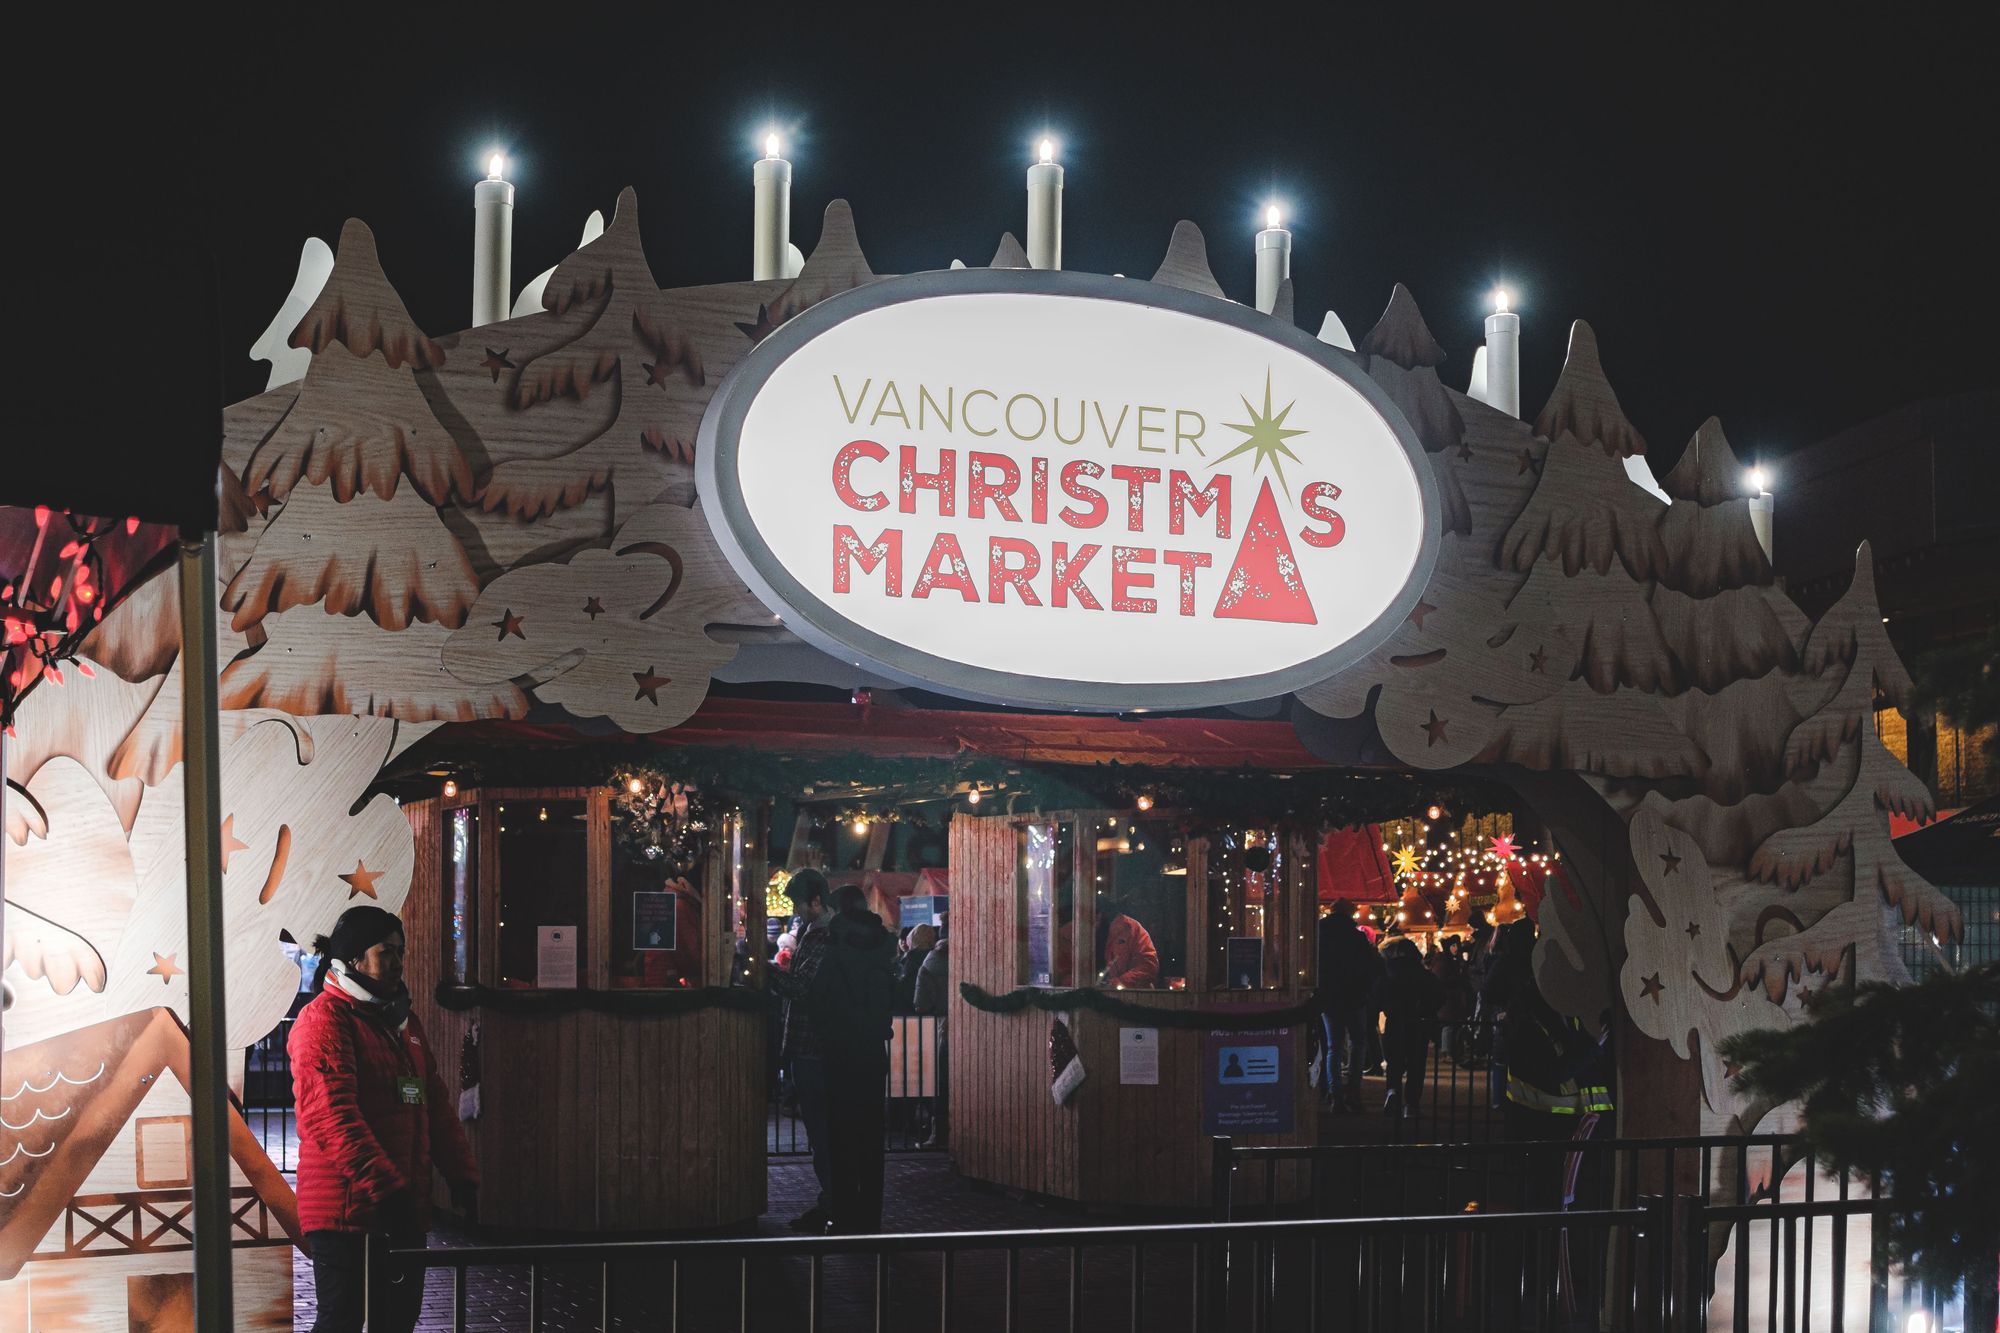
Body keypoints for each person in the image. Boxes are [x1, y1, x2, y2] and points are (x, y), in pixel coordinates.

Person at [289, 906, 477, 1333]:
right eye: (384, 952)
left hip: (401, 1212)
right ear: (353, 959)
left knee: (397, 1322)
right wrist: (388, 1190)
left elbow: (436, 1104)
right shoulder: (324, 1020)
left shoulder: (403, 1023)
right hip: (346, 1215)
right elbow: (332, 1117)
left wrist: (461, 1174)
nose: (396, 962)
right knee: (344, 1322)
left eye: (401, 952)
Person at [812, 883, 897, 1232]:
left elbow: (818, 998)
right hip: (873, 1050)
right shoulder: (882, 948)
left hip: (840, 1050)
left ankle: (845, 1213)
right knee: (871, 1138)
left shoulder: (835, 949)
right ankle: (870, 1213)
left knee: (841, 1136)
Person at [766, 868, 835, 1231]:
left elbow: (801, 988)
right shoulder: (813, 931)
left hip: (813, 1047)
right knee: (819, 1131)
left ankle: (832, 1201)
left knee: (822, 1131)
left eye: (797, 903)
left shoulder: (823, 936)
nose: (795, 910)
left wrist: (763, 973)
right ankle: (831, 1199)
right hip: (810, 1046)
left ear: (816, 901)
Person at [1315, 905, 1384, 1112]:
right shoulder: (1356, 938)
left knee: (1333, 1047)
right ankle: (1353, 1092)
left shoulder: (1320, 935)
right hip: (1354, 997)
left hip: (1329, 998)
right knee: (1357, 1043)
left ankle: (1335, 1094)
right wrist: (1365, 990)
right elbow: (1370, 966)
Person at [1375, 938, 1445, 1118]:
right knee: (1416, 1063)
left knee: (1394, 1062)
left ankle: (1392, 1091)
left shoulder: (1388, 972)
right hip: (1418, 1021)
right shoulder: (1422, 972)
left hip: (1394, 1020)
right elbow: (1438, 995)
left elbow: (1377, 995)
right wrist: (1427, 1009)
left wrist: (1385, 1008)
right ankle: (1411, 1104)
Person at [913, 936, 950, 1148]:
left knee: (940, 1082)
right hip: (967, 1024)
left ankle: (939, 1134)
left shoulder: (928, 966)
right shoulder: (965, 961)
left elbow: (921, 1004)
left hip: (940, 1028)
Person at [1098, 908, 1159, 988]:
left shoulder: (1131, 928)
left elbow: (1148, 967)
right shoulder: (1081, 931)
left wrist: (1115, 984)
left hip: (1132, 997)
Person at [896, 921, 937, 1013]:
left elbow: (908, 988)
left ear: (913, 939)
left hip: (914, 1012)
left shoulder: (911, 959)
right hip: (936, 1011)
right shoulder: (936, 957)